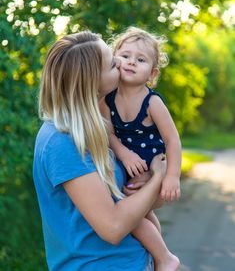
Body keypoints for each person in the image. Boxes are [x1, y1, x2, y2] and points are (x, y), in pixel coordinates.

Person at [33, 30, 169, 271]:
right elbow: (113, 227)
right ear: (91, 82)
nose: (120, 61)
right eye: (111, 63)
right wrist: (158, 176)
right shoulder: (62, 141)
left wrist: (145, 181)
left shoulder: (97, 126)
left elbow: (136, 202)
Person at [100, 27, 182, 271]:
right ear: (114, 59)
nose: (131, 62)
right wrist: (124, 153)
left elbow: (172, 140)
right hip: (129, 168)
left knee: (129, 216)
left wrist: (171, 177)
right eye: (125, 56)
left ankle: (165, 258)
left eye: (141, 59)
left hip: (151, 170)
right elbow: (109, 134)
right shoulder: (107, 98)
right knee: (140, 215)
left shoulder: (152, 102)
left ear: (152, 73)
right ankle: (158, 256)